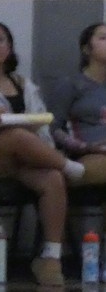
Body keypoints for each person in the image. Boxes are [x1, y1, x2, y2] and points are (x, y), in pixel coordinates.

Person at [0, 20, 83, 287]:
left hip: (22, 158)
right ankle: (69, 166)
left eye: (1, 39)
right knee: (14, 134)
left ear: (10, 48)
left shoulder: (24, 84)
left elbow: (43, 123)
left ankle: (50, 256)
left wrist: (38, 135)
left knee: (51, 179)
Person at [48, 21, 106, 184]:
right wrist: (84, 147)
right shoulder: (71, 84)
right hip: (88, 155)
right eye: (103, 38)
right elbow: (53, 127)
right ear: (86, 49)